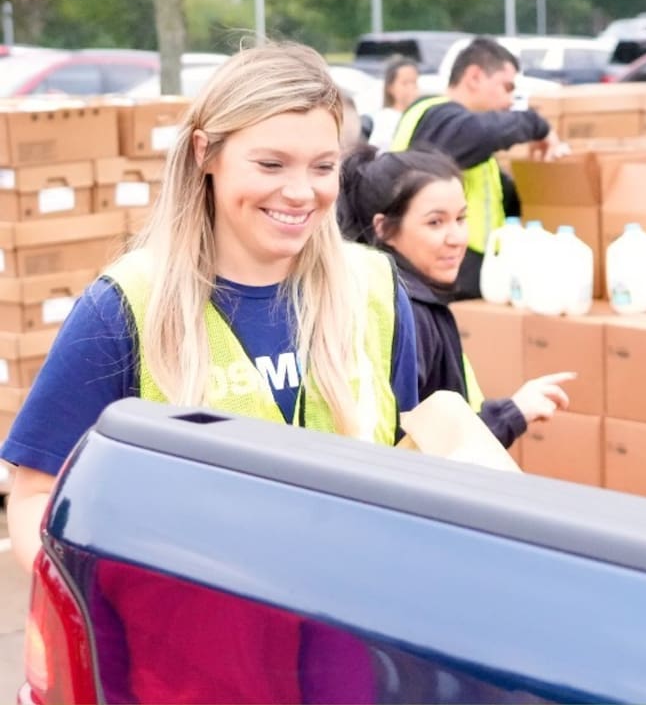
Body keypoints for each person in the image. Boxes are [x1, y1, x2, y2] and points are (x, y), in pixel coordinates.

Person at [1, 42, 421, 574]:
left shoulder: (374, 289)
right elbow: (37, 496)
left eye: (323, 166)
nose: (300, 192)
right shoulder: (125, 307)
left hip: (346, 617)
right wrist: (103, 607)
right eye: (271, 164)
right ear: (206, 153)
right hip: (188, 624)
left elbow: (406, 471)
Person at [339, 144, 574, 446]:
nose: (457, 238)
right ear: (384, 228)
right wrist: (511, 414)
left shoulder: (403, 298)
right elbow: (422, 448)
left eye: (461, 219)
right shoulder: (408, 313)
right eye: (435, 222)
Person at [390, 36, 568, 300]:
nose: (510, 101)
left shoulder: (461, 141)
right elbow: (483, 131)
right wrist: (537, 126)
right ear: (474, 77)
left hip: (461, 281)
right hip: (442, 285)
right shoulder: (442, 118)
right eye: (506, 87)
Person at [367, 55, 420, 150]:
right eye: (405, 83)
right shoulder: (384, 119)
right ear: (390, 87)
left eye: (414, 82)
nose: (411, 88)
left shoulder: (419, 116)